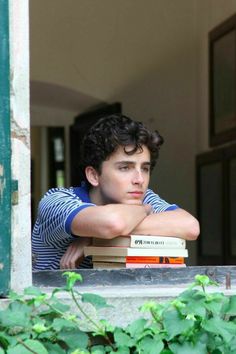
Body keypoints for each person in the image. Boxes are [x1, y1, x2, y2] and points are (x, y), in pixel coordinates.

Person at [32, 114, 199, 270]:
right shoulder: (56, 201)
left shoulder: (141, 196)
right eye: (125, 168)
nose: (139, 179)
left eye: (145, 168)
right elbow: (113, 223)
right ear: (94, 175)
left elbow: (190, 226)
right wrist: (145, 210)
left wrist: (92, 237)